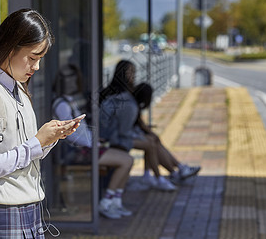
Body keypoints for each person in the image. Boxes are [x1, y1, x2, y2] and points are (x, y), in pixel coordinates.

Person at [0, 8, 84, 238]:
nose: (37, 67)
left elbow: (25, 153)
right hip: (0, 211)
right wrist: (37, 142)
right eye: (32, 58)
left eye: (40, 59)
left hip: (29, 207)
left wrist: (49, 139)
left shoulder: (19, 89)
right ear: (9, 48)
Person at [52, 63, 134, 219]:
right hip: (76, 151)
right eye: (65, 78)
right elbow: (71, 134)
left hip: (84, 146)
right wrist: (93, 144)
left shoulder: (69, 100)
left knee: (127, 159)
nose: (69, 82)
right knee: (126, 161)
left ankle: (115, 202)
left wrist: (95, 140)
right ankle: (107, 202)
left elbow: (80, 129)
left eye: (73, 78)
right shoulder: (62, 104)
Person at [99, 60, 176, 191]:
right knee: (150, 143)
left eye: (134, 72)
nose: (133, 76)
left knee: (151, 140)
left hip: (117, 134)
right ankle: (161, 177)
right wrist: (140, 135)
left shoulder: (120, 94)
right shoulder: (123, 98)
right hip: (114, 138)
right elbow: (123, 129)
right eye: (131, 72)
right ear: (121, 73)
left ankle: (168, 172)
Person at [133, 83, 201, 186]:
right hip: (123, 138)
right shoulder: (132, 107)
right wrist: (151, 133)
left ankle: (177, 170)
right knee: (152, 142)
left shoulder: (132, 105)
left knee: (153, 140)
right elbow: (140, 124)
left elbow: (139, 124)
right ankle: (168, 174)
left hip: (129, 135)